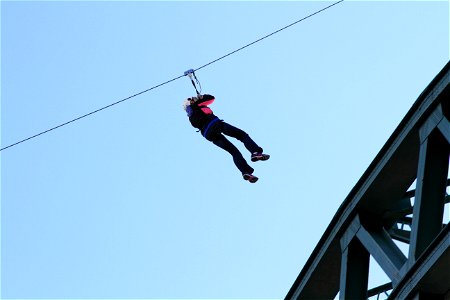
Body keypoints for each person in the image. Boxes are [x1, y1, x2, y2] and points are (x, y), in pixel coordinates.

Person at [183, 94, 269, 183]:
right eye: (192, 99)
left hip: (209, 135)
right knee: (242, 135)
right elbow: (211, 98)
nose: (194, 99)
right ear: (190, 102)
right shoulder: (196, 105)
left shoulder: (191, 117)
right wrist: (201, 97)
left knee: (234, 152)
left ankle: (245, 172)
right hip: (215, 125)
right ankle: (255, 152)